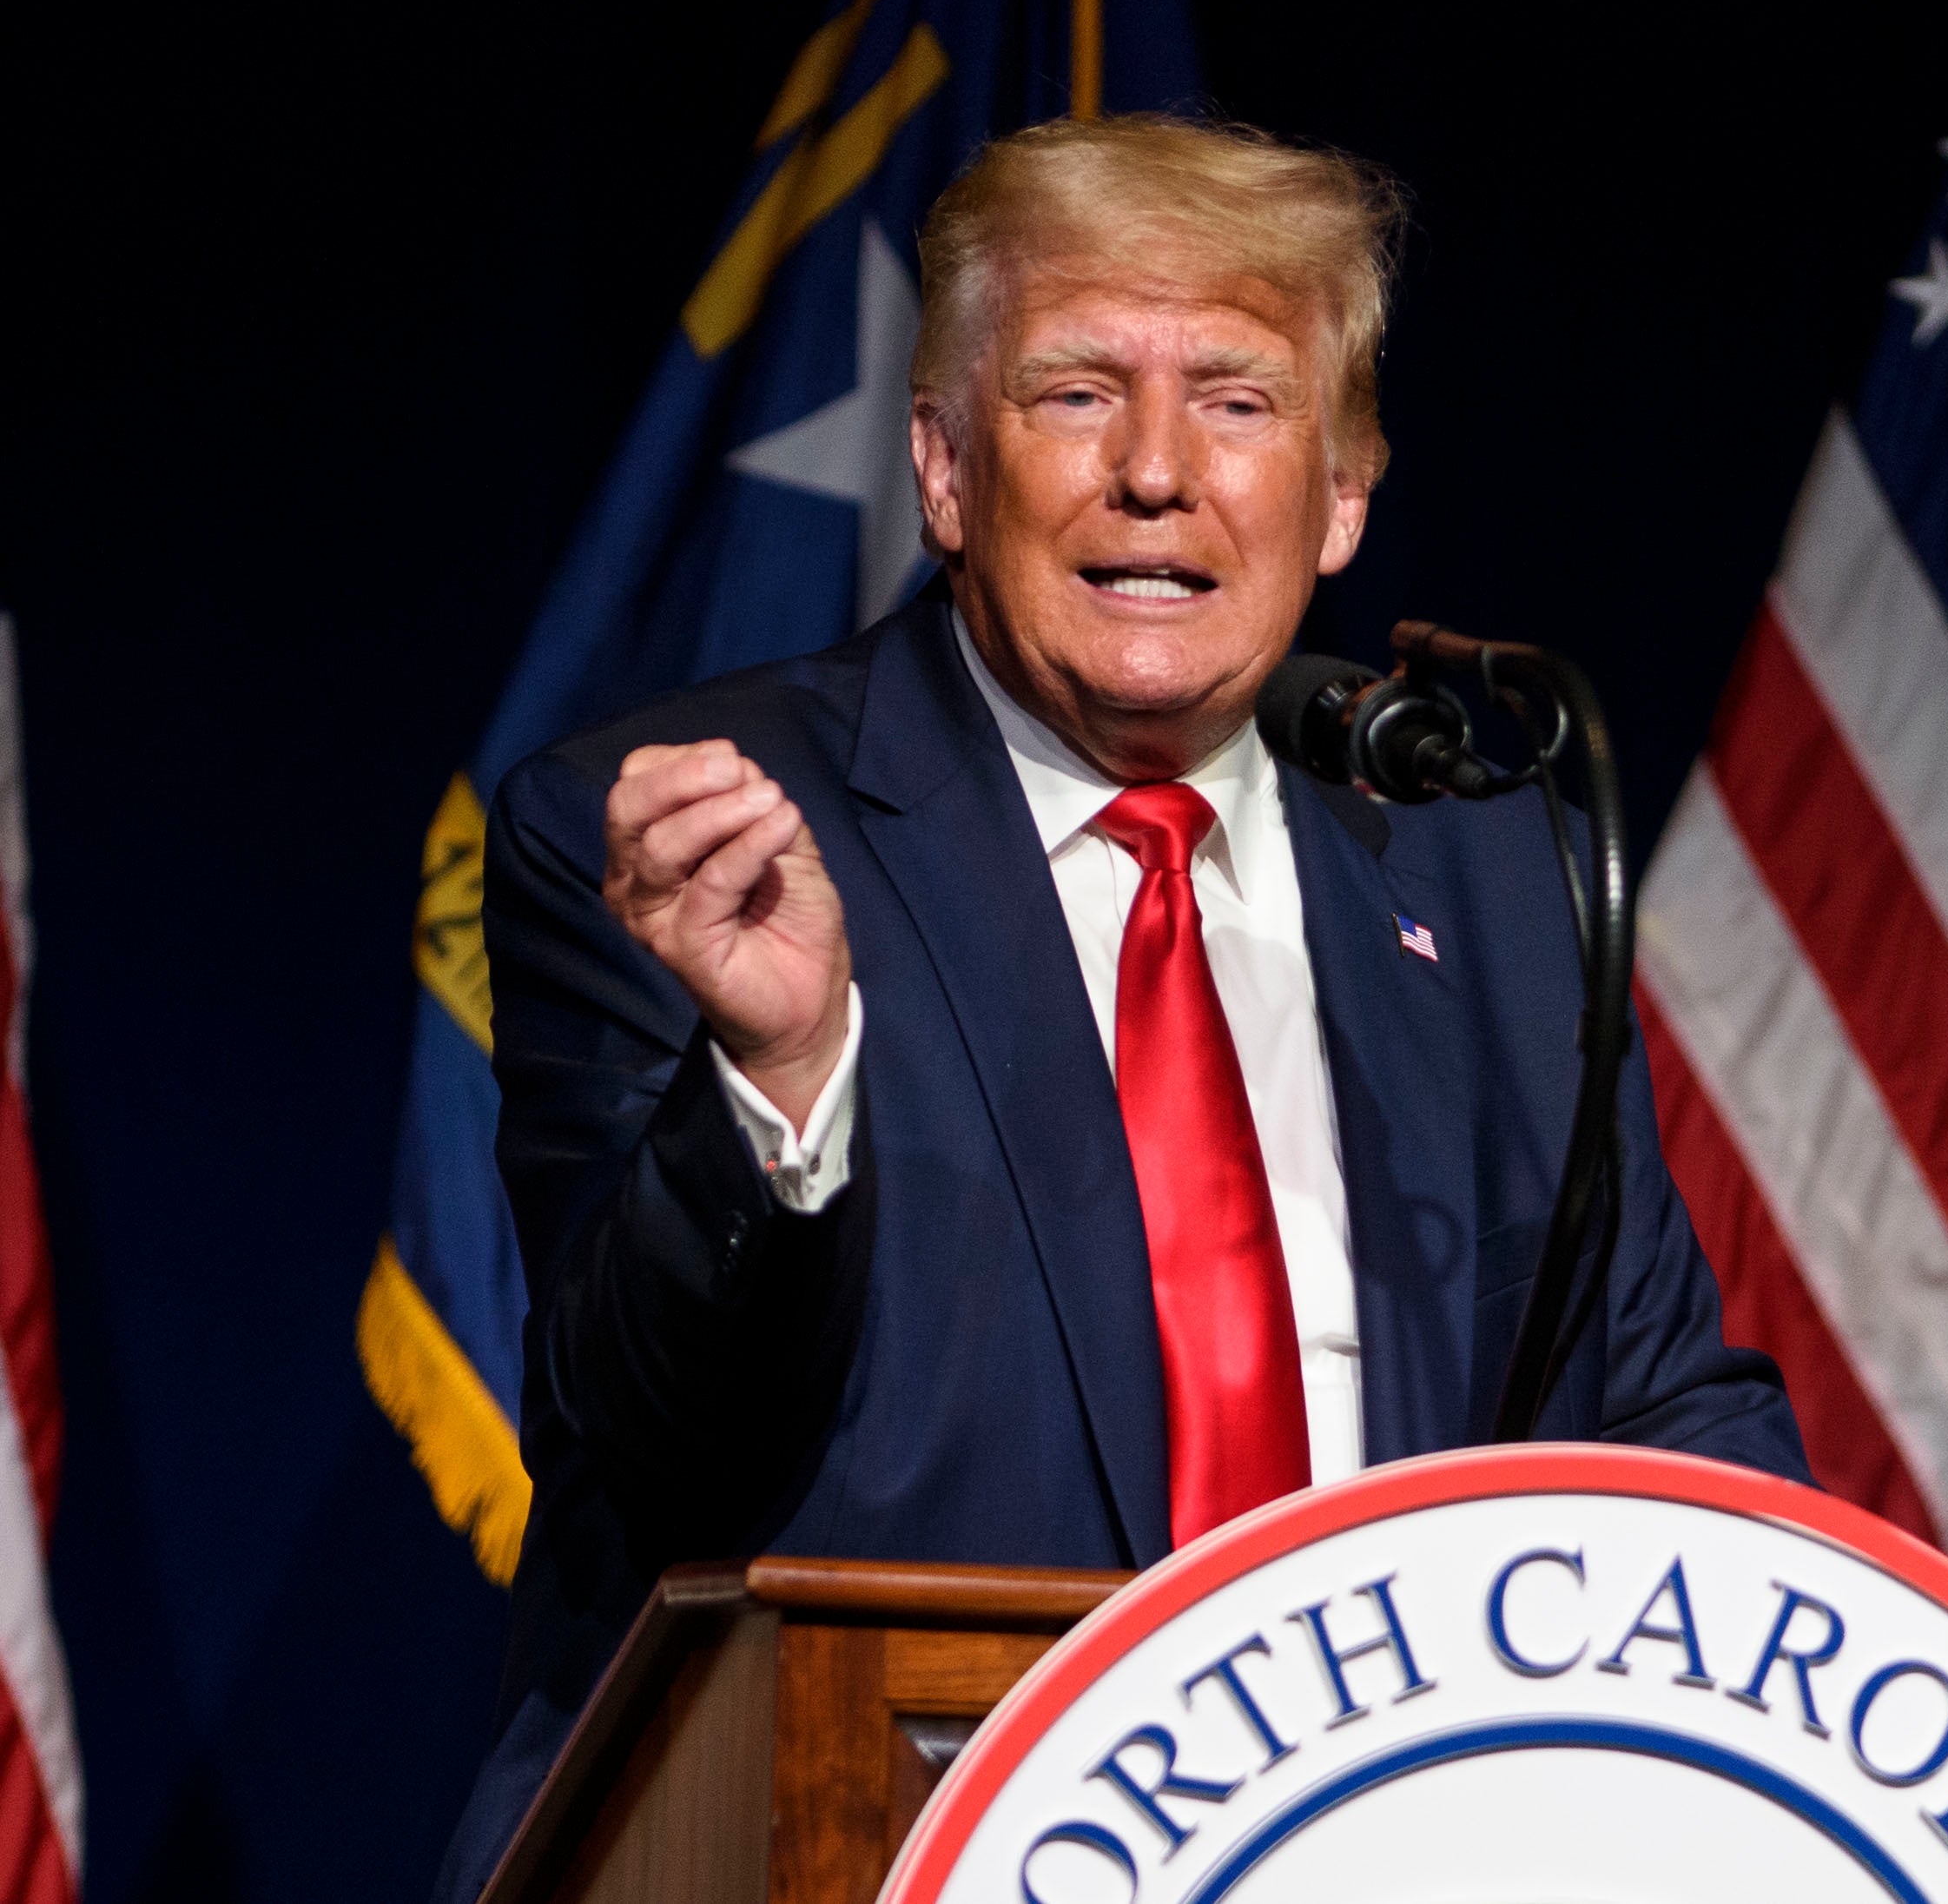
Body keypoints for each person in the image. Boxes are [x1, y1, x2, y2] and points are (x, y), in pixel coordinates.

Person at [433, 115, 1805, 1894]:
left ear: (1341, 494)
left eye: (1235, 400)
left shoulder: (1492, 872)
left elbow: (1656, 1409)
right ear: (940, 466)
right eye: (1076, 393)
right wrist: (782, 1076)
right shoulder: (689, 831)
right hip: (847, 1838)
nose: (1157, 472)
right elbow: (656, 1446)